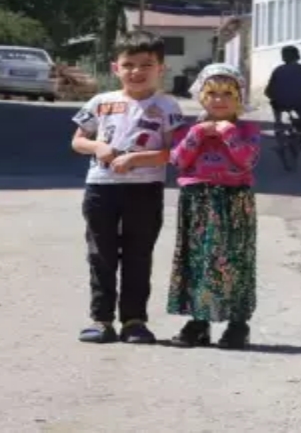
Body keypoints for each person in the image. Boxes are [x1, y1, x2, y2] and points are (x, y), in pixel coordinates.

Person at [71, 32, 185, 345]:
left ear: (161, 68)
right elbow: (78, 141)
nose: (137, 71)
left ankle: (134, 321)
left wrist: (137, 158)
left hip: (145, 190)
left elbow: (173, 152)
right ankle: (101, 319)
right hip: (101, 189)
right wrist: (98, 147)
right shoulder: (101, 103)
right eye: (129, 64)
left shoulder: (167, 106)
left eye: (146, 64)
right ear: (115, 68)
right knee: (101, 255)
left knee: (138, 256)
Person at [167, 63, 262, 350]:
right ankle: (199, 321)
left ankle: (237, 324)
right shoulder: (188, 129)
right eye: (212, 93)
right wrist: (198, 134)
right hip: (197, 199)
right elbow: (177, 160)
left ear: (239, 98)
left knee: (234, 261)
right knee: (198, 260)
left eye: (227, 93)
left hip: (234, 200)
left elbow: (247, 160)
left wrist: (229, 134)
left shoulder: (247, 129)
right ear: (201, 96)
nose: (219, 100)